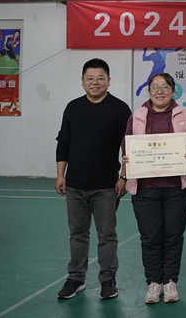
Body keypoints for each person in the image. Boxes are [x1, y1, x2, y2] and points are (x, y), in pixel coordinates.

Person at [121, 72, 186, 304]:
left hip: (176, 187)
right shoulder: (137, 116)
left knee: (173, 236)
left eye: (165, 87)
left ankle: (170, 281)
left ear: (173, 90)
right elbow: (126, 142)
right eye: (155, 87)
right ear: (149, 91)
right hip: (145, 188)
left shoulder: (183, 115)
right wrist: (127, 157)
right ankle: (154, 282)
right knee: (150, 237)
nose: (160, 91)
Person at [54, 58, 131, 300]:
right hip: (75, 185)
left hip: (106, 186)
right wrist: (60, 175)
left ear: (108, 81)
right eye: (90, 78)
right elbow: (64, 142)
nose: (94, 82)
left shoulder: (120, 109)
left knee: (107, 235)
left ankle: (108, 280)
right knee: (77, 234)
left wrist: (123, 177)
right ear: (82, 81)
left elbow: (128, 147)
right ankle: (76, 279)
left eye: (100, 78)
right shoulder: (73, 108)